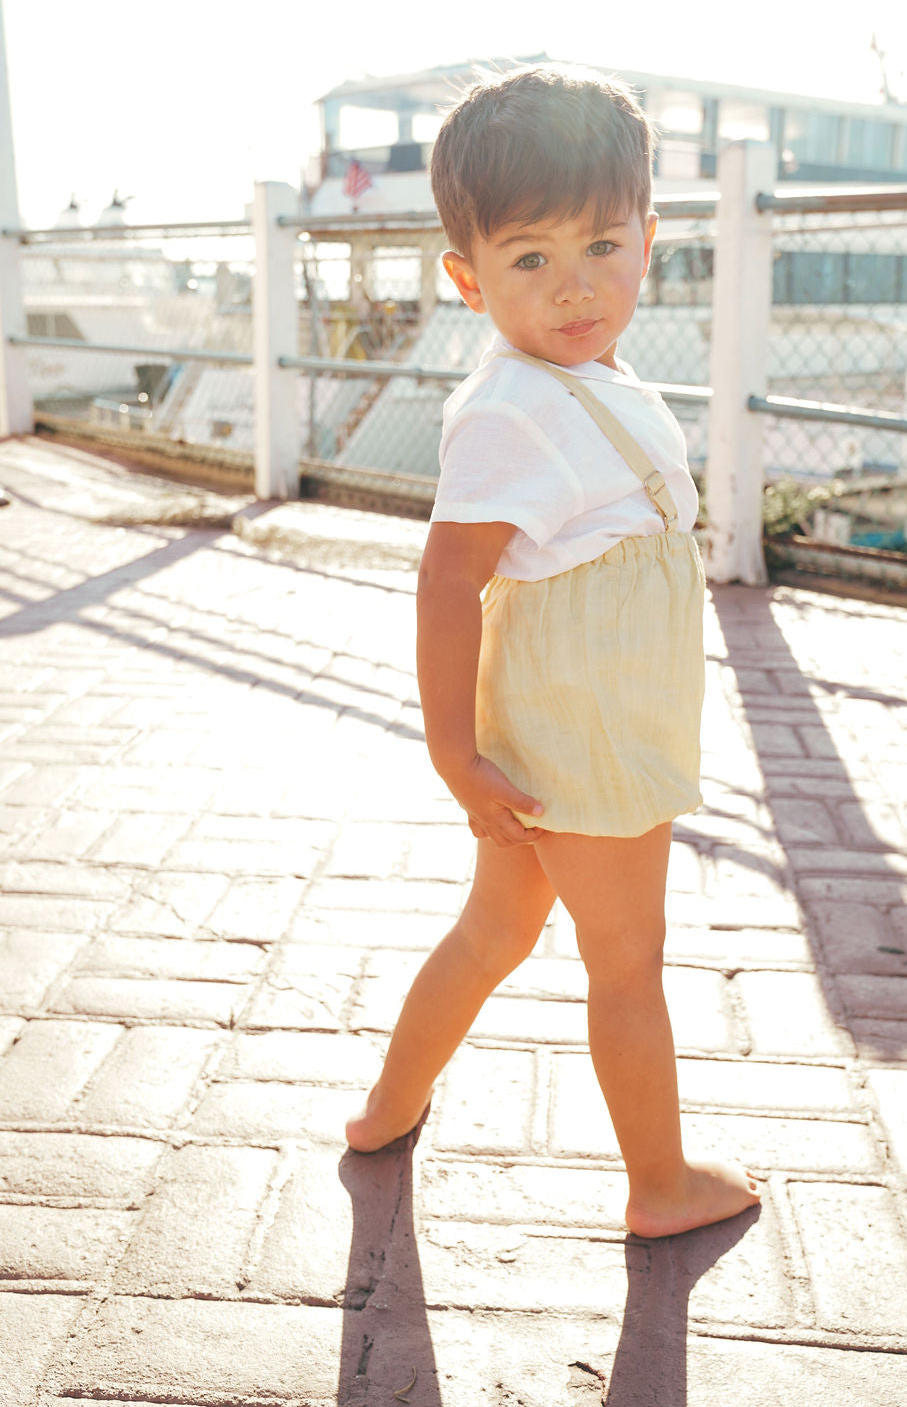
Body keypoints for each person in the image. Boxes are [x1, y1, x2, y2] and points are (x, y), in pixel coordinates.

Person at [346, 65, 760, 1238]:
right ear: (467, 278)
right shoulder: (512, 408)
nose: (576, 287)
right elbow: (448, 581)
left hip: (568, 722)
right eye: (530, 261)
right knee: (627, 959)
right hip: (581, 737)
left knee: (495, 931)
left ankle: (386, 1107)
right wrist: (450, 757)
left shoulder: (590, 374)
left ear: (649, 239)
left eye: (602, 246)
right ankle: (658, 1185)